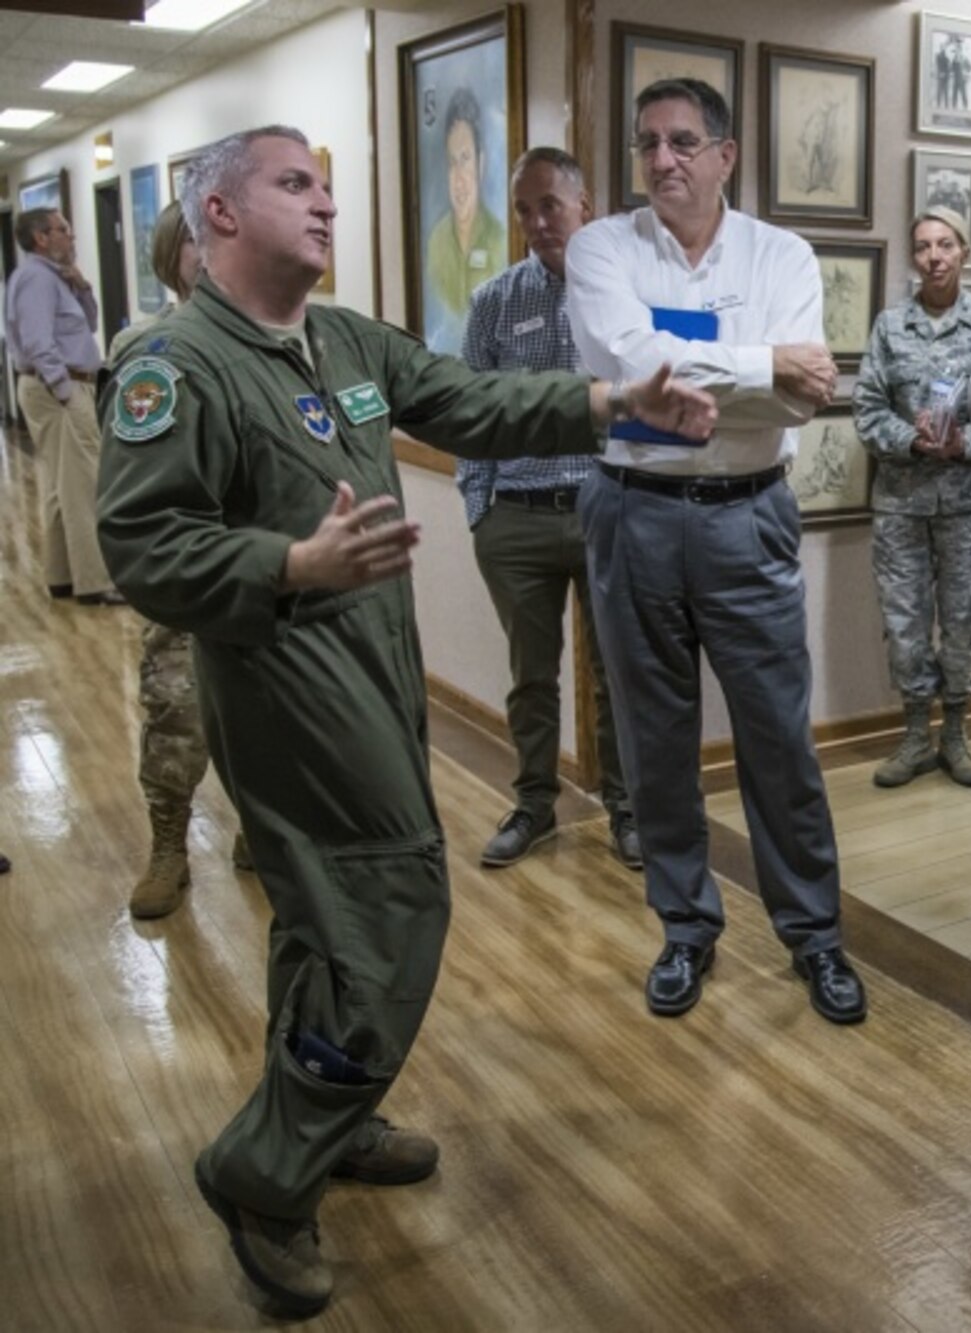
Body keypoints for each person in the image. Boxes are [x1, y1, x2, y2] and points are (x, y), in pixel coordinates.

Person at [94, 124, 713, 1318]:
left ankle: (328, 1112)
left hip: (370, 660)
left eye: (326, 186)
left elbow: (474, 399)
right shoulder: (179, 365)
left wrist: (613, 399)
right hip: (283, 676)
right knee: (392, 896)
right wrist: (291, 560)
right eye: (293, 186)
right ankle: (265, 1172)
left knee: (326, 919)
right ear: (219, 214)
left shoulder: (341, 338)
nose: (325, 205)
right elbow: (143, 544)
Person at [564, 77, 867, 1026]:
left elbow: (800, 395)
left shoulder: (781, 253)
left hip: (747, 514)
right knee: (655, 741)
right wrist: (755, 359)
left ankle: (814, 936)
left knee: (779, 739)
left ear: (726, 155)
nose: (663, 161)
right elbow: (623, 361)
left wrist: (718, 365)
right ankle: (686, 927)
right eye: (648, 143)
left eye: (685, 142)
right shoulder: (601, 245)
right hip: (633, 510)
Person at [456, 146, 637, 871]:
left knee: (618, 670)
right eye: (524, 210)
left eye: (549, 206)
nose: (535, 222)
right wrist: (480, 510)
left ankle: (627, 809)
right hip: (519, 517)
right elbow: (468, 412)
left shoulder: (625, 294)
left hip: (607, 509)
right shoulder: (496, 301)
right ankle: (534, 803)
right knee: (532, 676)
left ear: (583, 205)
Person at [110, 200, 256, 918]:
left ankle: (260, 828)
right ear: (171, 258)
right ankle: (169, 843)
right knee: (177, 705)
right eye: (194, 244)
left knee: (268, 707)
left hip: (263, 566)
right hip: (189, 569)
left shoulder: (273, 340)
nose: (209, 256)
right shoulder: (148, 352)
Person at [853, 206, 971, 790]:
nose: (934, 257)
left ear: (963, 251)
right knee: (904, 624)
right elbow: (867, 410)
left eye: (945, 244)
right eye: (923, 246)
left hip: (970, 505)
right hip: (901, 503)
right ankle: (915, 736)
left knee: (963, 623)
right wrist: (913, 441)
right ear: (913, 256)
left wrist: (964, 444)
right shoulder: (890, 327)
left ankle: (955, 734)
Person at [6, 207, 120, 606]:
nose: (71, 237)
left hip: (62, 387)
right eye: (64, 230)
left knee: (61, 488)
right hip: (59, 390)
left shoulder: (56, 279)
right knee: (84, 487)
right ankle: (96, 582)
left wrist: (82, 284)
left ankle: (63, 577)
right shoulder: (36, 280)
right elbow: (38, 343)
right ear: (41, 237)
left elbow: (88, 324)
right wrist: (65, 392)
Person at [424, 88, 507, 350]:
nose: (459, 178)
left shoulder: (500, 240)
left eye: (465, 159)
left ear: (481, 165)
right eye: (452, 163)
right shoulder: (436, 242)